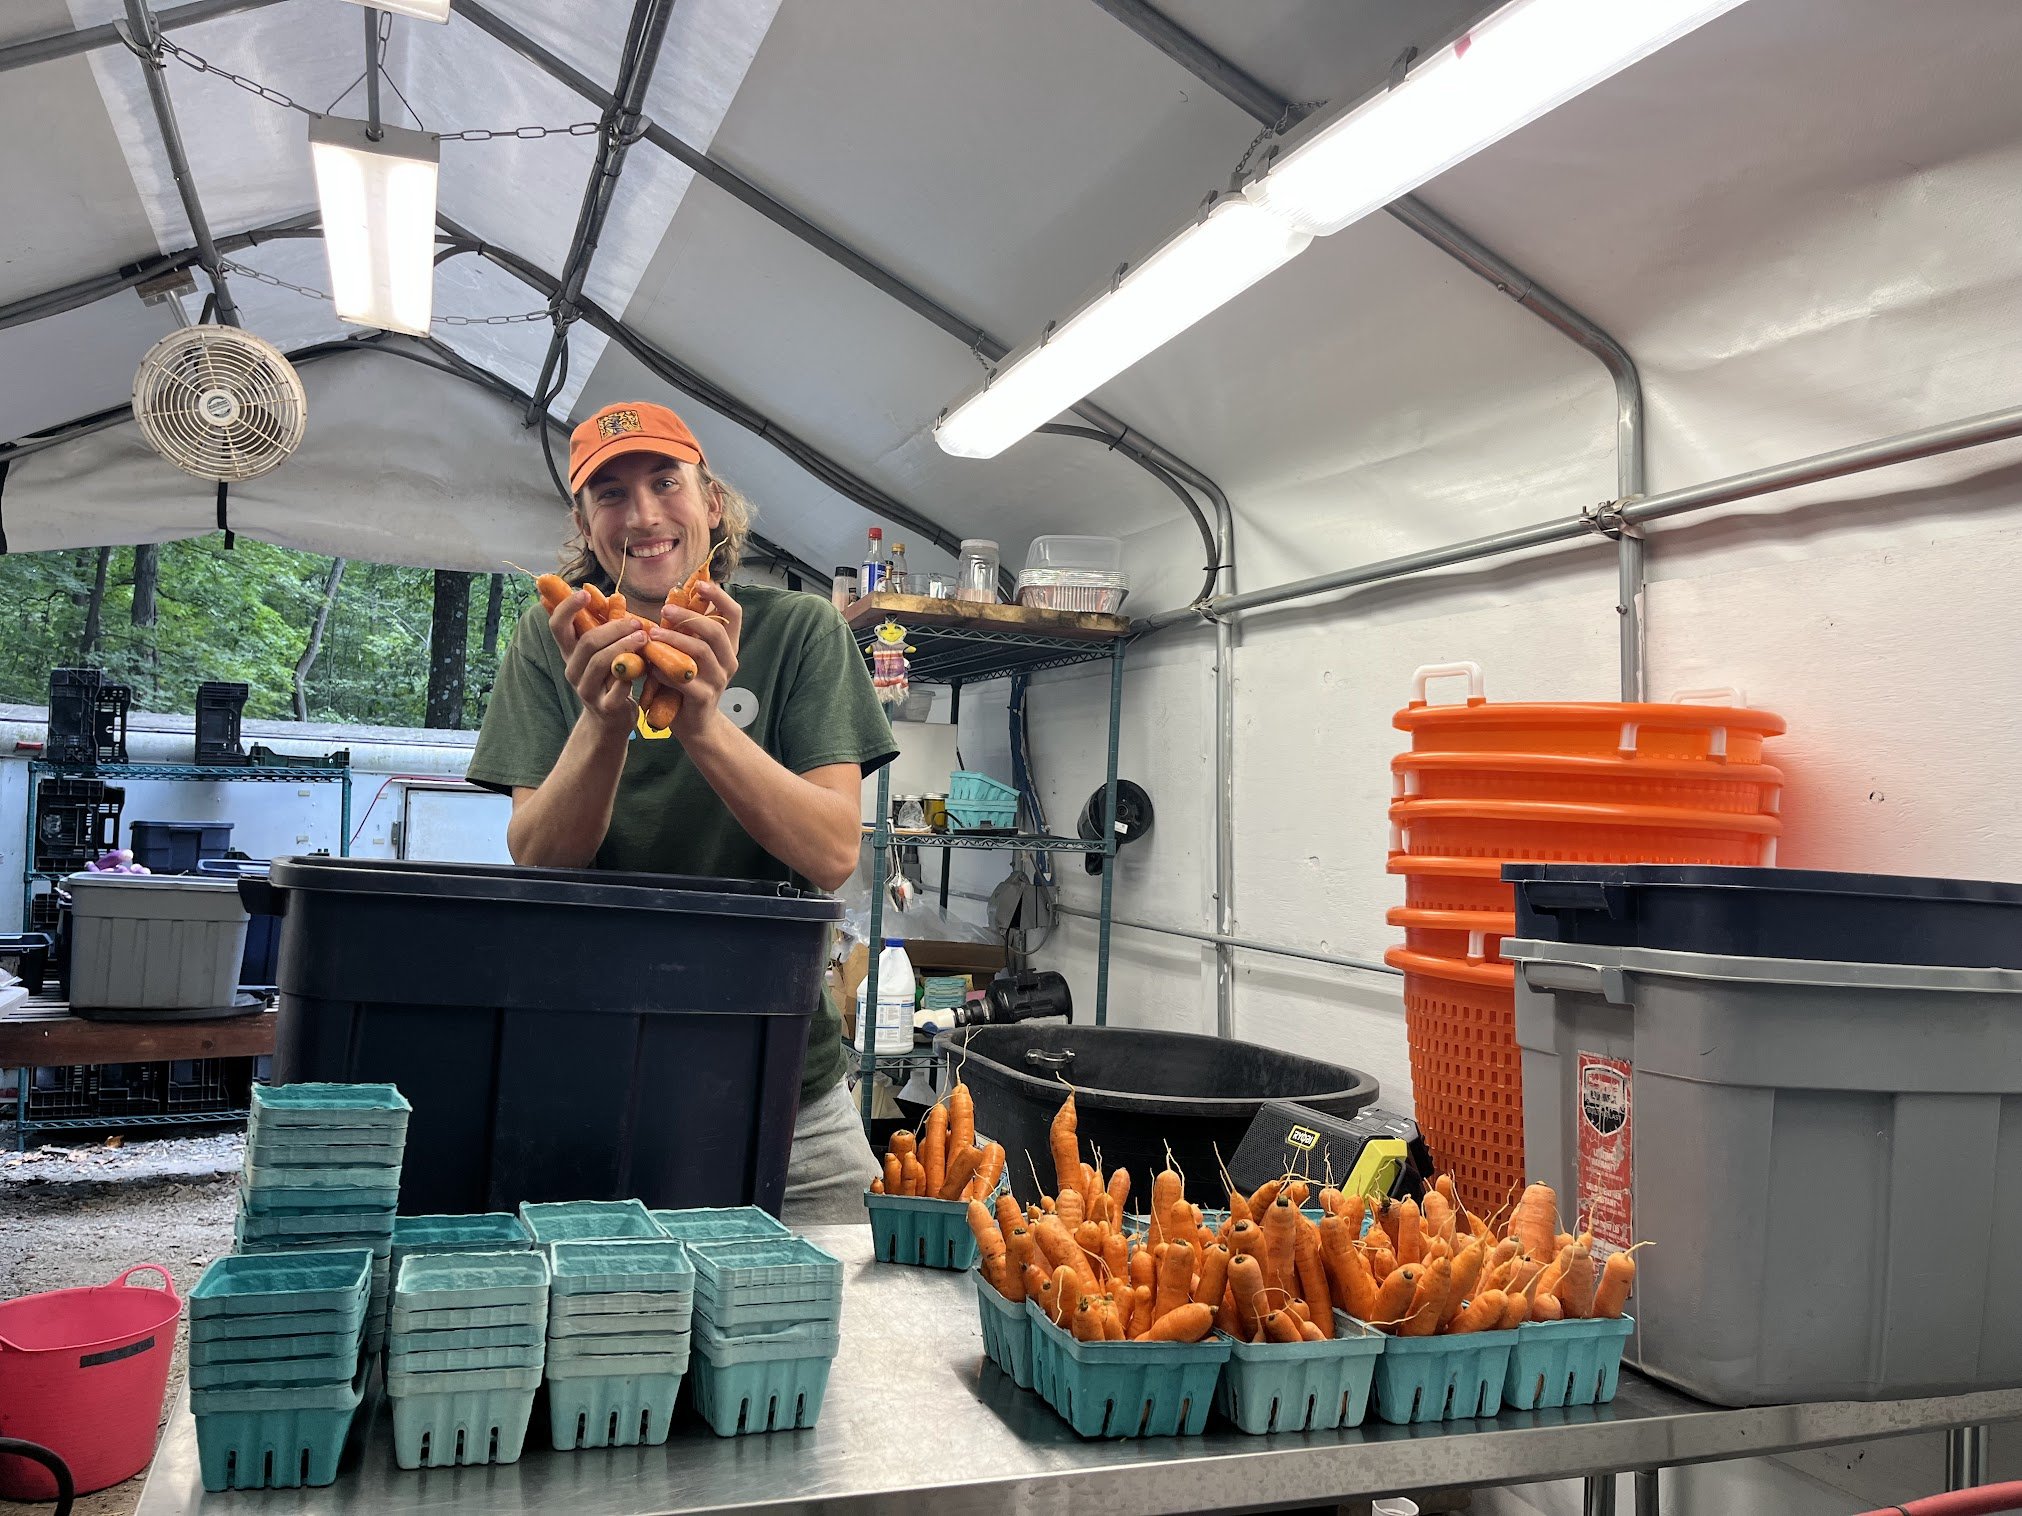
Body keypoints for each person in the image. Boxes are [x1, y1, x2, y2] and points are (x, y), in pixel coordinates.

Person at [466, 400, 894, 1225]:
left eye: (667, 482)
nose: (646, 514)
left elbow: (831, 852)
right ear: (587, 527)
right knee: (609, 1331)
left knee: (835, 1319)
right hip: (594, 1073)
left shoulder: (798, 629)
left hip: (788, 1093)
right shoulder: (551, 636)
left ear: (713, 505)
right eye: (612, 494)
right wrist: (603, 722)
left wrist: (701, 721)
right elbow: (542, 860)